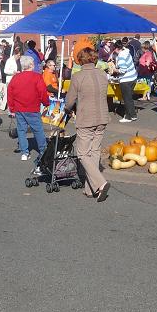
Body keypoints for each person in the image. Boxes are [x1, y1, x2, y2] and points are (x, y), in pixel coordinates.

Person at [64, 47, 111, 202]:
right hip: (102, 117)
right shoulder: (103, 74)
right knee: (94, 151)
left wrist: (67, 108)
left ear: (80, 60)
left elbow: (70, 100)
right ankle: (90, 189)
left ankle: (101, 183)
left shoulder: (78, 77)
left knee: (82, 153)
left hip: (86, 118)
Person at [7, 55, 49, 162]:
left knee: (21, 130)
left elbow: (10, 93)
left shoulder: (16, 77)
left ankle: (24, 152)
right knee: (38, 130)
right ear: (31, 65)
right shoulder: (37, 77)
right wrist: (46, 102)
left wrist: (11, 108)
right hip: (33, 108)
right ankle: (43, 150)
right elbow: (42, 92)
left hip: (19, 108)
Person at [114, 39, 138, 122]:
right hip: (133, 77)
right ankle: (129, 115)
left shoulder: (121, 56)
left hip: (126, 80)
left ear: (116, 49)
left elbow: (123, 70)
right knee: (129, 98)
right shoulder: (127, 52)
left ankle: (131, 116)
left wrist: (115, 70)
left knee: (127, 99)